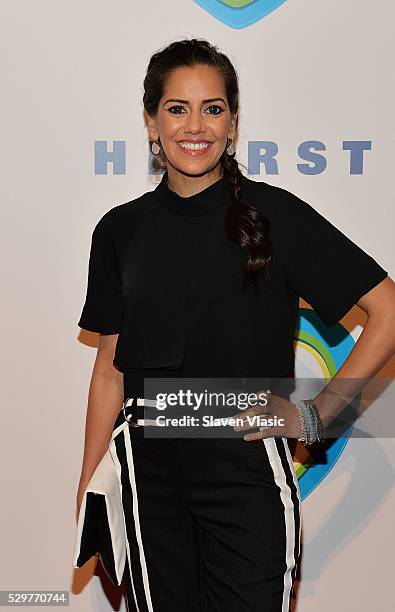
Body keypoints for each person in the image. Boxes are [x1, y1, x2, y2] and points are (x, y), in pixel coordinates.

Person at [75, 38, 395, 612]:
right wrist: (90, 489)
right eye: (177, 108)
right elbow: (108, 373)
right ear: (151, 121)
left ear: (233, 122)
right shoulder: (118, 231)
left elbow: (388, 311)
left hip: (244, 470)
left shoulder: (277, 216)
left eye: (213, 108)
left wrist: (313, 415)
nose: (195, 125)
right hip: (146, 475)